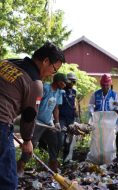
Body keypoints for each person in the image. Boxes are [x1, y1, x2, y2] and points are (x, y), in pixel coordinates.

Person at [0, 42, 65, 189]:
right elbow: (29, 116)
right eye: (54, 70)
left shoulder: (6, 63)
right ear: (46, 61)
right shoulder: (35, 84)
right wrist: (28, 140)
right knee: (7, 181)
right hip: (1, 125)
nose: (51, 74)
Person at [17, 73, 67, 174]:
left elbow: (56, 108)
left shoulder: (59, 92)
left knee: (54, 142)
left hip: (48, 123)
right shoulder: (45, 88)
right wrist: (34, 114)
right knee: (32, 144)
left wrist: (56, 122)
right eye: (63, 82)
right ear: (58, 81)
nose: (65, 84)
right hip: (37, 122)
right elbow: (37, 101)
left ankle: (53, 166)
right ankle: (20, 166)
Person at [58, 72, 78, 161]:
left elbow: (74, 104)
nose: (72, 84)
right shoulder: (60, 91)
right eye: (71, 81)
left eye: (74, 82)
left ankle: (65, 160)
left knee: (69, 141)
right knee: (61, 139)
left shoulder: (74, 92)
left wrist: (76, 114)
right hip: (61, 118)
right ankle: (55, 159)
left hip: (71, 118)